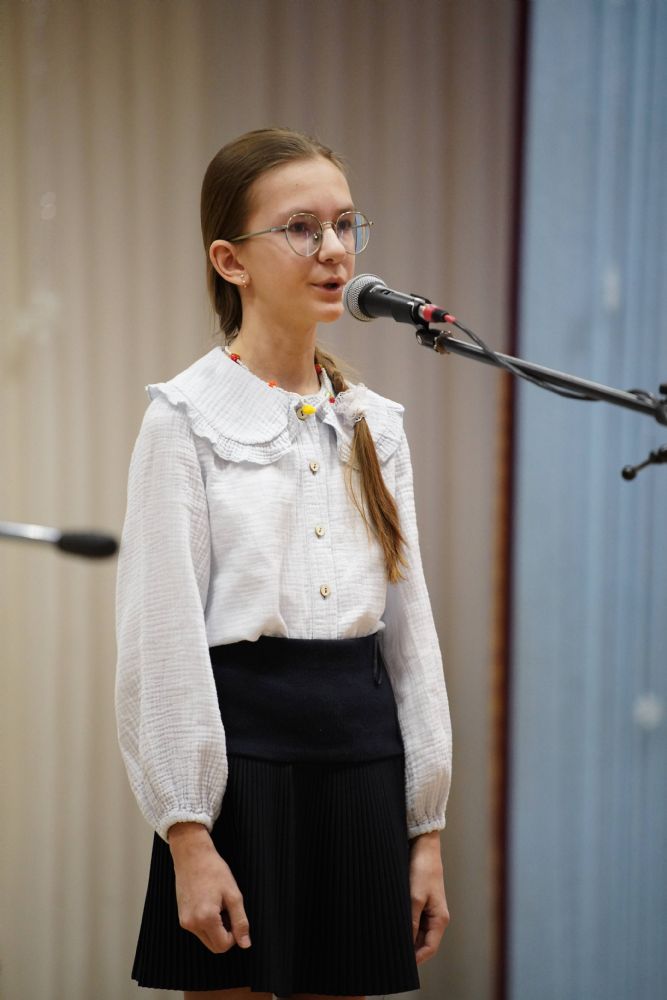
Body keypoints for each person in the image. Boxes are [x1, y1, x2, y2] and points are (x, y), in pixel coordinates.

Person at [115, 127, 452, 1000]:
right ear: (230, 261)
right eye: (302, 228)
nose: (334, 249)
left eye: (344, 224)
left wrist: (425, 830)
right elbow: (161, 640)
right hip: (244, 775)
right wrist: (188, 835)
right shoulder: (184, 420)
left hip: (362, 767)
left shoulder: (374, 424)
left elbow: (410, 639)